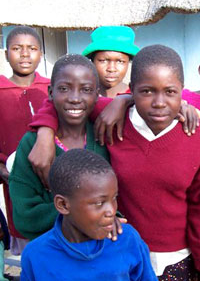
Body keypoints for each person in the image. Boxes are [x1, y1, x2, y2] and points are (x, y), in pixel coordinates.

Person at [28, 45, 200, 280]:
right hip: (115, 253)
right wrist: (45, 133)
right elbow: (64, 100)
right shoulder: (110, 118)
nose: (159, 102)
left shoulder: (194, 133)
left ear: (182, 91)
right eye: (147, 91)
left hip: (177, 260)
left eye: (170, 92)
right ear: (132, 90)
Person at [9, 54, 128, 242]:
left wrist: (124, 99)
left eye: (86, 89)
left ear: (97, 94)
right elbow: (25, 217)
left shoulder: (106, 135)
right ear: (50, 92)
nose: (74, 98)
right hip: (53, 253)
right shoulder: (32, 144)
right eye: (64, 89)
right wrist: (88, 215)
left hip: (102, 249)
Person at [20, 148, 157, 281]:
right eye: (98, 203)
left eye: (114, 198)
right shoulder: (36, 255)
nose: (111, 211)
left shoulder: (127, 240)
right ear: (63, 205)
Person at [0, 25, 50, 255]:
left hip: (52, 179)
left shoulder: (53, 88)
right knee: (30, 249)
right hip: (14, 181)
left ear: (41, 54)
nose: (24, 54)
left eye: (32, 48)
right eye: (16, 48)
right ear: (6, 53)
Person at [82, 26, 140, 98]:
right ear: (92, 61)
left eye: (120, 61)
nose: (111, 69)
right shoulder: (82, 97)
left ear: (128, 62)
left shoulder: (137, 98)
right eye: (103, 61)